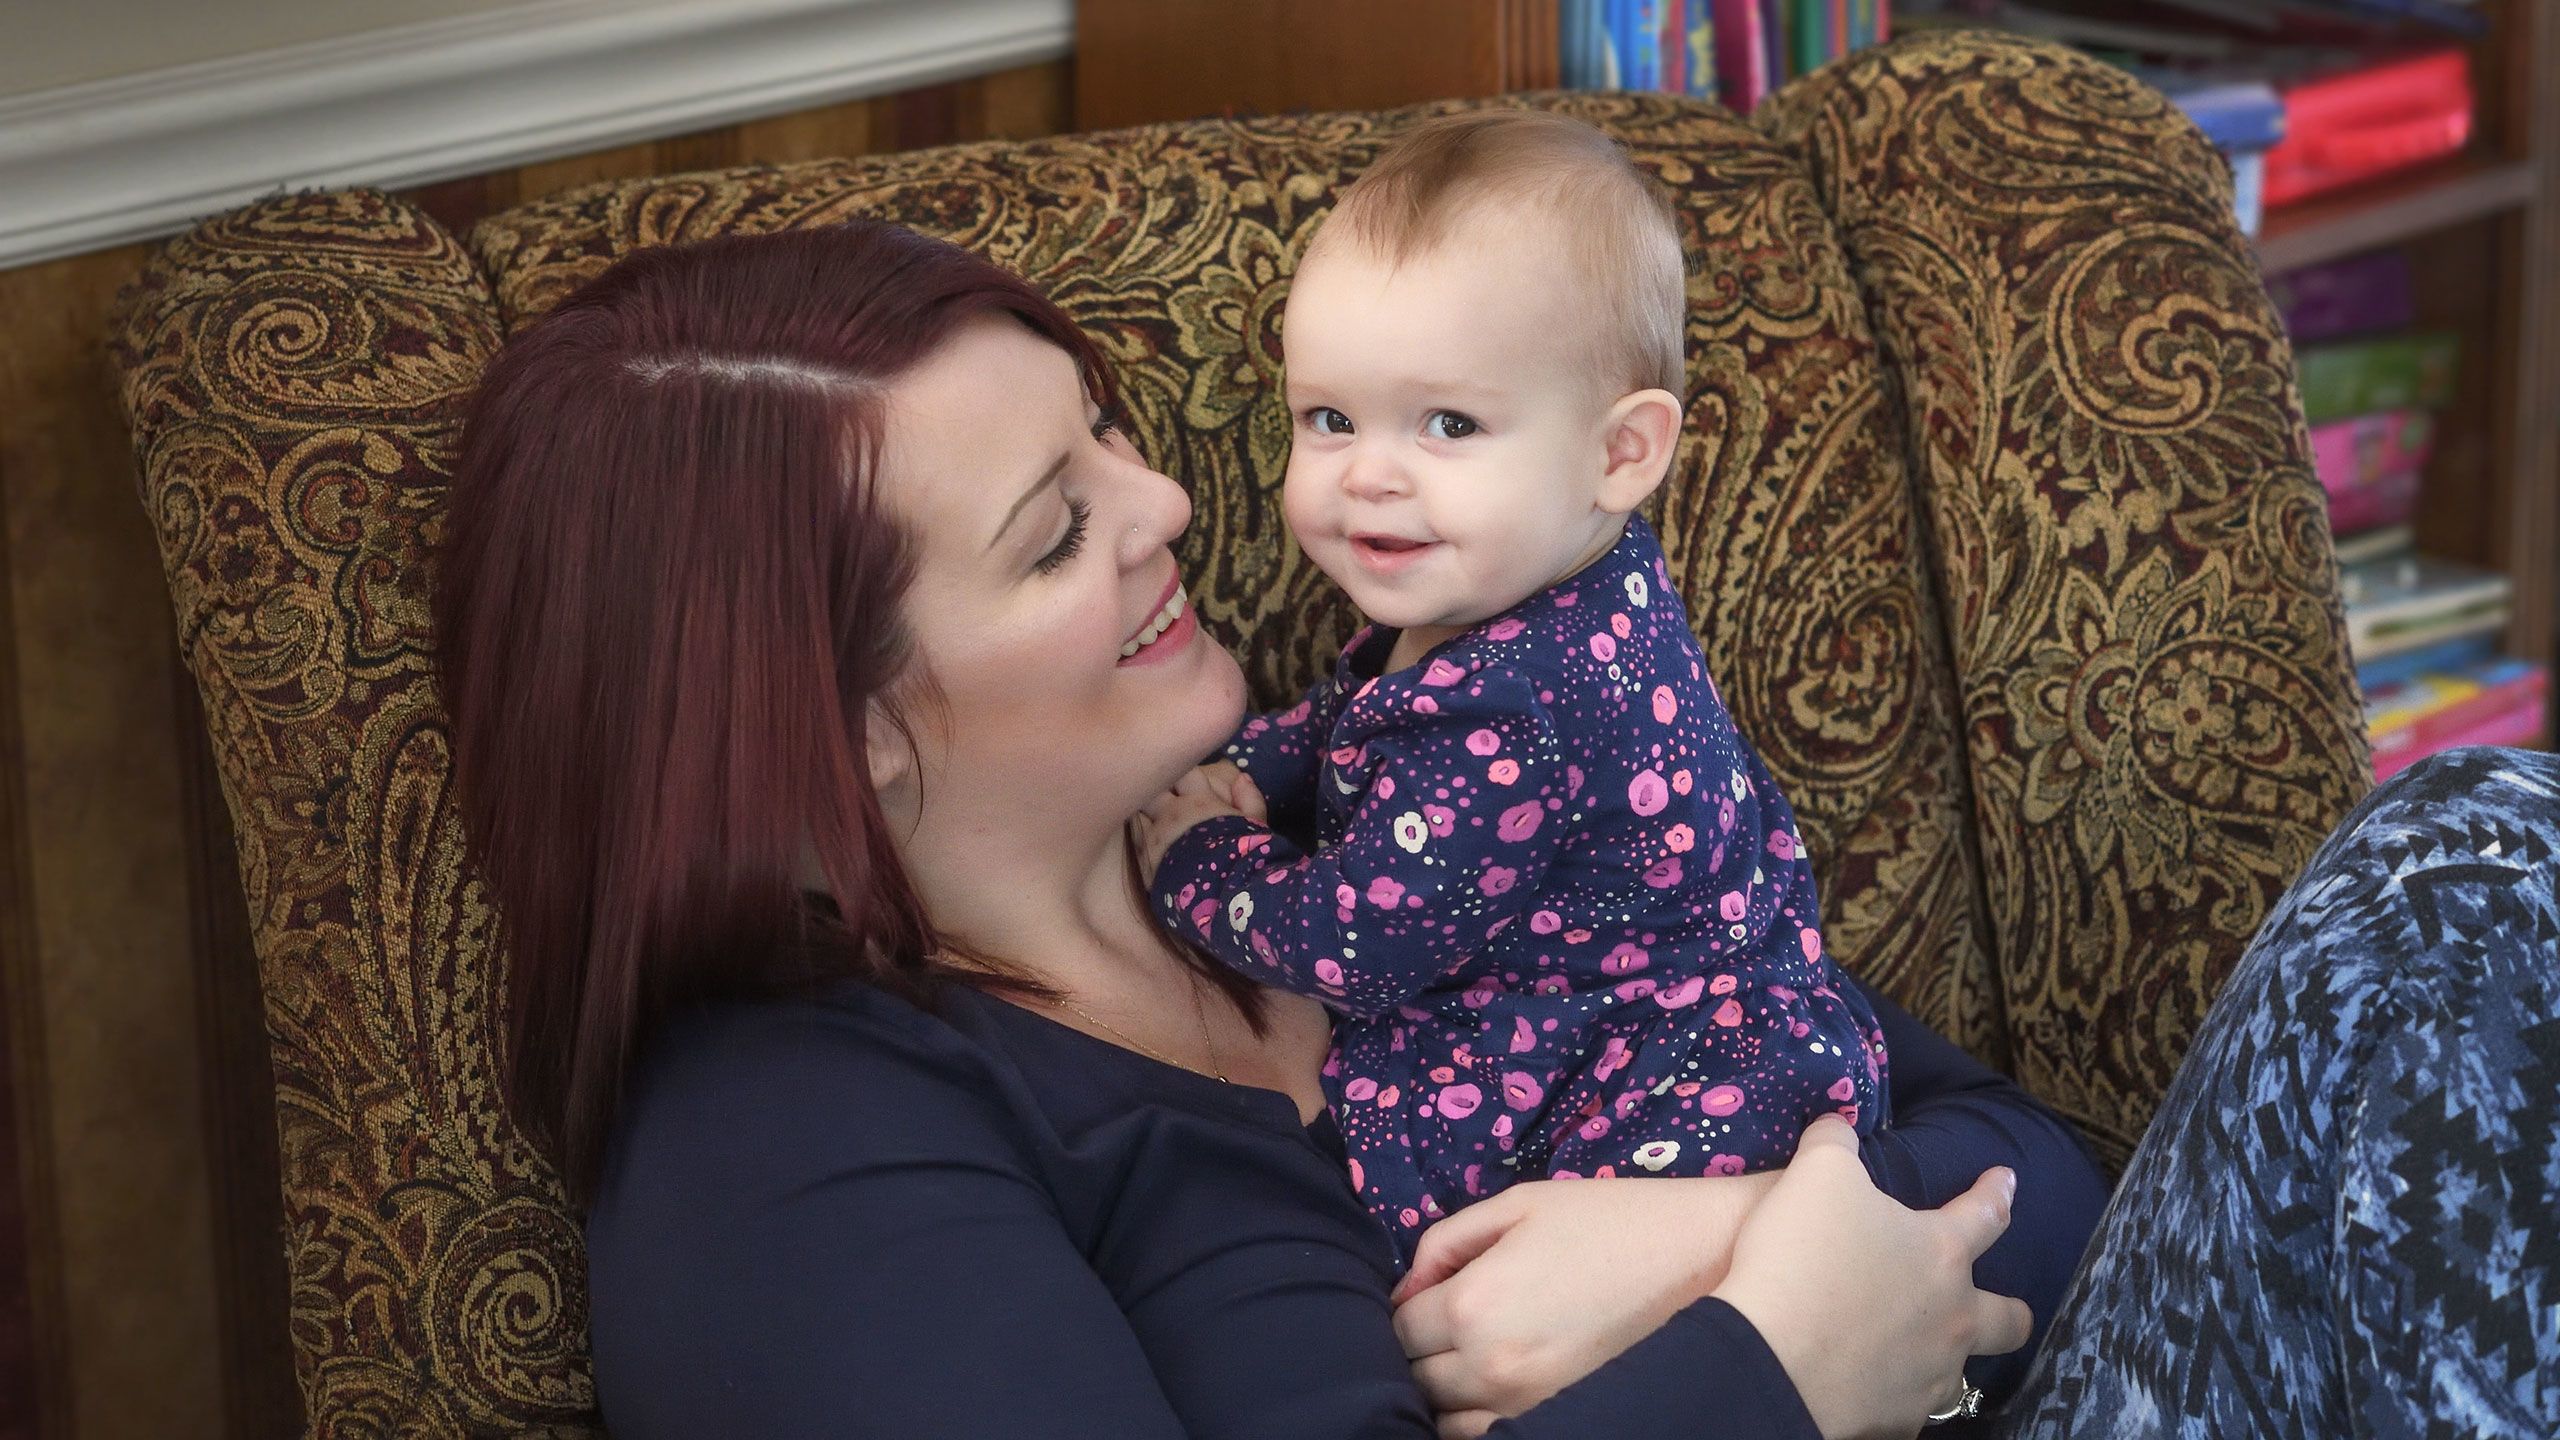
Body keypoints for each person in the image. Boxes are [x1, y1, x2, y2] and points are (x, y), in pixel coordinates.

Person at [431, 216, 2559, 1439]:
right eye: (1055, 527)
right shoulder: (788, 1142)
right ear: (845, 730)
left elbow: (2032, 1175)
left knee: (2473, 870)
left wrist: (1711, 1233)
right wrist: (1767, 1366)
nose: (1173, 504)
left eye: (1111, 434)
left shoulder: (1393, 783)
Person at [1134, 112, 1888, 1261]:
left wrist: (1200, 861)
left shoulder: (1523, 701)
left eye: (1449, 424)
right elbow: (1355, 717)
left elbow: (1357, 943)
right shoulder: (1534, 576)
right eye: (1328, 419)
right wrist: (1251, 763)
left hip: (1651, 1086)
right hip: (1676, 994)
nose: (1370, 475)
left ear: (1620, 454)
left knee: (1486, 1280)